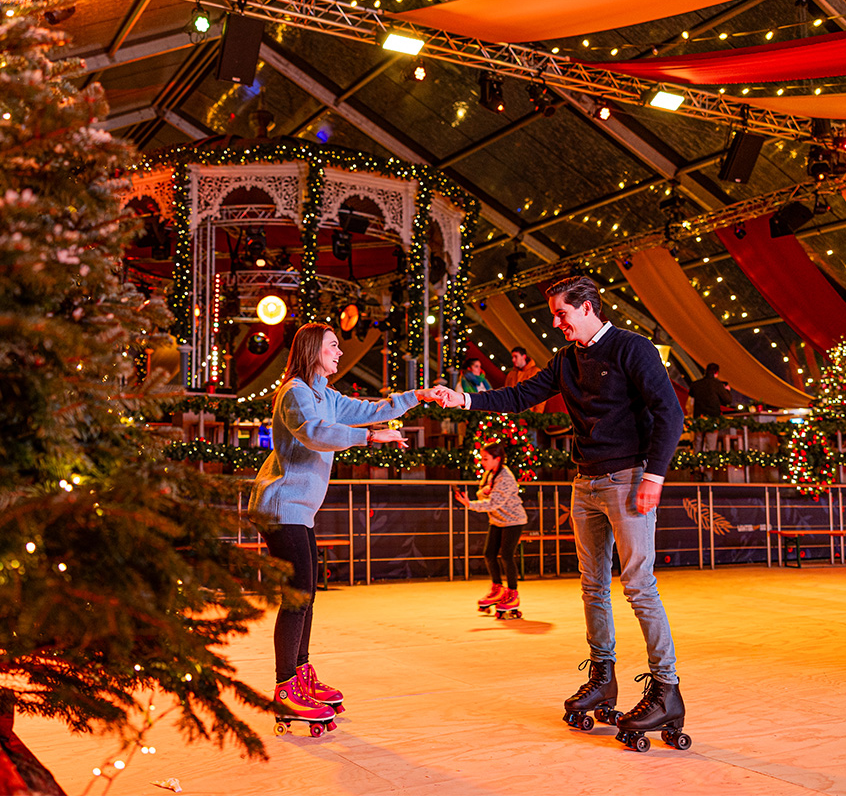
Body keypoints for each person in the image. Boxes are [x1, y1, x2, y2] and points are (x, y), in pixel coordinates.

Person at [431, 275, 688, 749]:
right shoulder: (567, 361)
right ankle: (603, 676)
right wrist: (464, 398)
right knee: (593, 585)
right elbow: (518, 396)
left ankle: (666, 690)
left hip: (629, 479)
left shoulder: (634, 349)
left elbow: (670, 413)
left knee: (638, 585)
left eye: (561, 314)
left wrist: (654, 476)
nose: (555, 322)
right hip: (585, 482)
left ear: (587, 307)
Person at [249, 322, 445, 733]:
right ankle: (285, 689)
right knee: (297, 596)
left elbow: (372, 409)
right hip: (281, 506)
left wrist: (417, 397)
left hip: (299, 510)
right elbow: (316, 434)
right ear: (312, 350)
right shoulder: (295, 393)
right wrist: (370, 439)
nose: (339, 353)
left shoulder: (326, 394)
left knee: (307, 594)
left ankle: (300, 676)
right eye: (333, 346)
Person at [456, 441, 529, 619]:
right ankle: (497, 588)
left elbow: (493, 503)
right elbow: (482, 492)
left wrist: (470, 504)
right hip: (497, 520)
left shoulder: (505, 477)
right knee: (489, 554)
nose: (482, 462)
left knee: (506, 555)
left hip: (513, 521)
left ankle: (513, 593)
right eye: (482, 458)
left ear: (497, 459)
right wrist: (485, 491)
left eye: (486, 459)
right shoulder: (490, 474)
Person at [688, 363, 733, 453]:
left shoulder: (696, 384)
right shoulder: (717, 384)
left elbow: (691, 397)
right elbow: (727, 400)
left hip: (698, 418)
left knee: (697, 443)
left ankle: (697, 465)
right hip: (713, 418)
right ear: (716, 373)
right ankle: (708, 465)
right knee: (711, 445)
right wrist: (727, 390)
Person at [504, 346, 546, 413]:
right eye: (512, 357)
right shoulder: (511, 375)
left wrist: (537, 415)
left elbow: (541, 395)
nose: (513, 360)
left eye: (516, 356)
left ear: (523, 356)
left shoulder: (535, 372)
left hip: (528, 414)